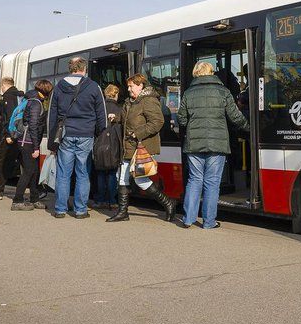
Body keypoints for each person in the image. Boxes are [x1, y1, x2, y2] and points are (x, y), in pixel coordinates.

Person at [177, 62, 250, 229]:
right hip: (217, 143)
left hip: (194, 143)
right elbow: (235, 117)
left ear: (196, 73)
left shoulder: (188, 93)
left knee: (194, 180)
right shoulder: (223, 91)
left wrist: (191, 126)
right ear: (212, 72)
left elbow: (181, 118)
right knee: (212, 182)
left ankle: (188, 219)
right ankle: (209, 222)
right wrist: (249, 128)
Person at [107, 73, 175, 223]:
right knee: (122, 178)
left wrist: (137, 133)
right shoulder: (130, 102)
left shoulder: (149, 101)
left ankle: (168, 202)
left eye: (131, 86)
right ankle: (123, 212)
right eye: (128, 86)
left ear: (140, 85)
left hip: (140, 146)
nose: (129, 89)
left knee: (140, 180)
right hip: (128, 146)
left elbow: (157, 122)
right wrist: (116, 118)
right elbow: (127, 119)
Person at [46, 57, 106, 219]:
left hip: (65, 135)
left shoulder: (58, 87)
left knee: (63, 174)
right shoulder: (94, 87)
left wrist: (52, 141)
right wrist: (100, 133)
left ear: (70, 68)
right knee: (83, 173)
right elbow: (102, 115)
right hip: (86, 135)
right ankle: (80, 210)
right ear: (84, 68)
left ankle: (60, 209)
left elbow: (51, 116)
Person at [11, 79, 52, 211]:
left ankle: (34, 198)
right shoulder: (36, 103)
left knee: (34, 171)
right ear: (45, 90)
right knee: (28, 171)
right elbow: (33, 126)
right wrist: (35, 147)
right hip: (27, 142)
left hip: (28, 140)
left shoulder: (33, 100)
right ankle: (17, 200)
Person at [94, 84, 123, 210]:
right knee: (112, 174)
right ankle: (112, 200)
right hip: (114, 145)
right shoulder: (120, 109)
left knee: (100, 174)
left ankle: (101, 200)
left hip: (100, 144)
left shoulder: (100, 108)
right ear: (116, 95)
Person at [0, 77, 22, 198]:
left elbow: (9, 117)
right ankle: (34, 193)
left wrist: (8, 134)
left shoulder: (7, 98)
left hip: (10, 136)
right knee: (26, 164)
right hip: (23, 135)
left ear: (3, 85)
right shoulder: (21, 96)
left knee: (3, 163)